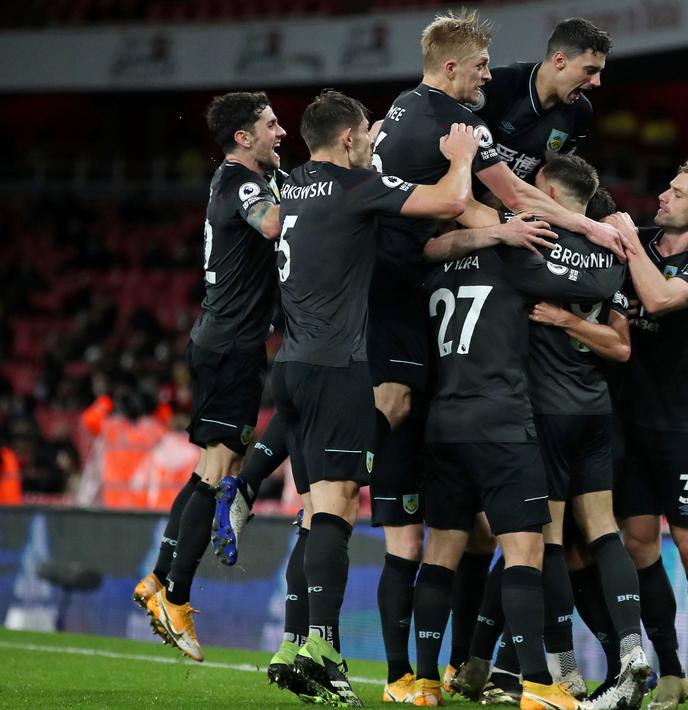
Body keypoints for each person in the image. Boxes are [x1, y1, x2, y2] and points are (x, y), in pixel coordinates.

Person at [269, 89, 477, 705]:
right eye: (367, 133)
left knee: (311, 515)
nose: (373, 140)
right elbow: (452, 202)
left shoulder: (293, 185)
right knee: (336, 513)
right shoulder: (352, 187)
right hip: (337, 367)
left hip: (290, 363)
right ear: (347, 140)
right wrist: (462, 155)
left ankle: (290, 642)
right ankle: (324, 653)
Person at [405, 189, 625, 710]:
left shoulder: (435, 265)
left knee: (441, 553)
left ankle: (425, 683)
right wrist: (615, 243)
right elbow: (596, 281)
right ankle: (538, 685)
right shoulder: (509, 258)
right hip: (501, 422)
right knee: (526, 550)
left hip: (442, 422)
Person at [449, 155, 649, 709]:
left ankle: (563, 671)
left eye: (533, 191)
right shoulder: (613, 252)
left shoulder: (533, 243)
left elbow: (469, 214)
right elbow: (623, 346)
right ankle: (634, 651)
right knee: (605, 531)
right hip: (595, 409)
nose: (524, 200)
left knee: (547, 542)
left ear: (554, 195)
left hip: (543, 413)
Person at [132, 91, 285, 663]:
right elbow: (271, 224)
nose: (281, 133)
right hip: (230, 347)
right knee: (219, 471)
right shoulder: (240, 184)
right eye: (271, 125)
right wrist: (307, 197)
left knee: (210, 468)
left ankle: (159, 578)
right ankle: (177, 595)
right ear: (244, 138)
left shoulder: (254, 178)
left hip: (226, 343)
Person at [606, 159, 688, 710]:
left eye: (677, 193)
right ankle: (670, 672)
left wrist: (626, 243)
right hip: (625, 420)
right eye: (667, 187)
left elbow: (659, 300)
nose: (663, 196)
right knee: (637, 543)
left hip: (680, 423)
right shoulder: (637, 238)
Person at [474, 17, 609, 182]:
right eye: (590, 70)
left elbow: (551, 178)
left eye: (599, 72)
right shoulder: (499, 83)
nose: (597, 82)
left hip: (518, 204)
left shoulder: (581, 112)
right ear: (560, 60)